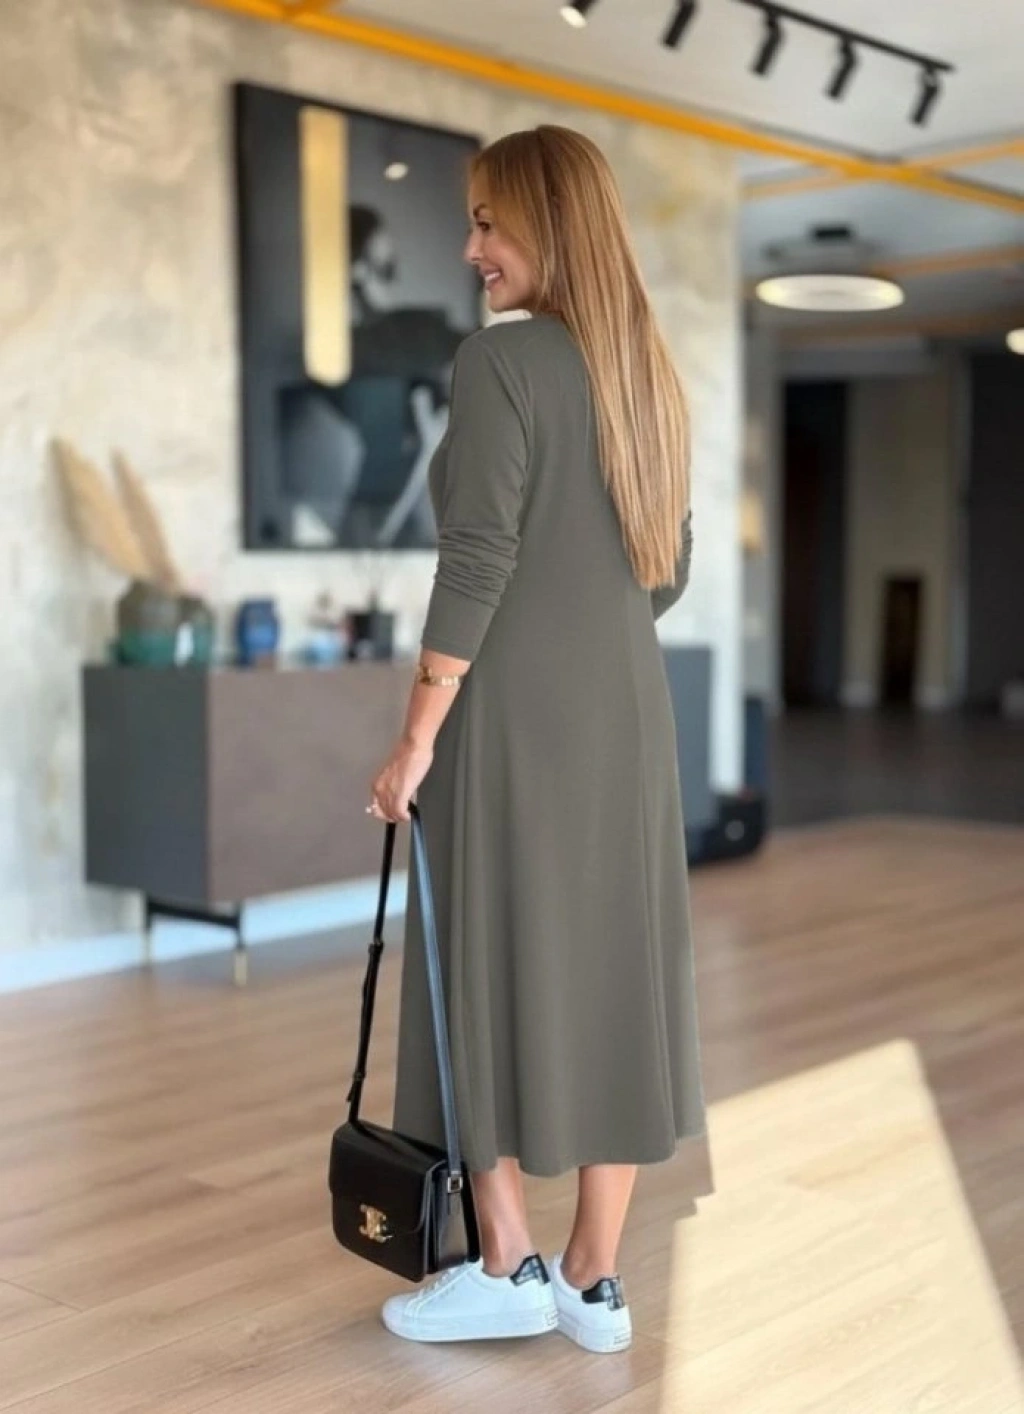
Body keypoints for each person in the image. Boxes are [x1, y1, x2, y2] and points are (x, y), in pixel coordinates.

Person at [366, 124, 705, 1355]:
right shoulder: (648, 377)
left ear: (546, 227)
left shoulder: (499, 362)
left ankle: (505, 1261)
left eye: (486, 221)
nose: (470, 249)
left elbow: (477, 555)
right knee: (617, 969)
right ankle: (594, 1279)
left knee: (481, 956)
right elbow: (663, 574)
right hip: (626, 714)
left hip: (508, 718)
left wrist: (416, 734)